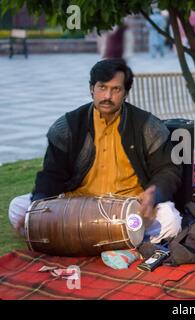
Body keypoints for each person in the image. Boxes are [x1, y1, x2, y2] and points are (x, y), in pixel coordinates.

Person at [8, 59, 183, 245]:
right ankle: (127, 240)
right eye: (102, 87)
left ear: (126, 93)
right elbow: (52, 174)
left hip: (129, 207)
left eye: (116, 89)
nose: (107, 95)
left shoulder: (148, 126)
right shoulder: (68, 125)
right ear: (92, 88)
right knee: (18, 207)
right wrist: (37, 205)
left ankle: (90, 237)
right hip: (77, 207)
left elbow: (168, 170)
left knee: (171, 221)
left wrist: (152, 194)